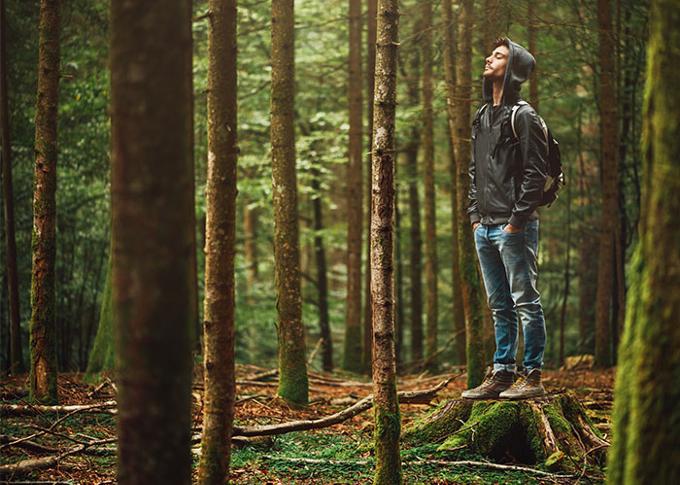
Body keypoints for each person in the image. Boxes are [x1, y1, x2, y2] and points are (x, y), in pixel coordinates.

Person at [461, 37, 548, 400]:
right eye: (491, 54)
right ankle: (501, 373)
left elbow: (535, 171)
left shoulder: (523, 116)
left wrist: (516, 220)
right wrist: (474, 217)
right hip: (485, 226)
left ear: (512, 69)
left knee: (525, 300)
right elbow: (473, 169)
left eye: (498, 56)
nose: (489, 58)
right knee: (499, 305)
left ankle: (532, 376)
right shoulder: (482, 116)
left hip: (515, 227)